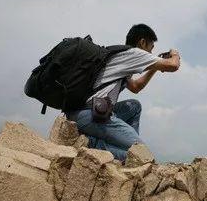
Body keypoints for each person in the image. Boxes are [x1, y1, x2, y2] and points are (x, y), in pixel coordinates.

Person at [66, 24, 180, 160]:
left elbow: (136, 87)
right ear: (142, 42)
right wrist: (175, 54)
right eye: (150, 48)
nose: (150, 53)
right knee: (142, 156)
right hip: (90, 114)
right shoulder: (133, 54)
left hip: (87, 113)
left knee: (134, 106)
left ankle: (129, 148)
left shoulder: (121, 56)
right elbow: (173, 65)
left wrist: (154, 68)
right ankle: (93, 144)